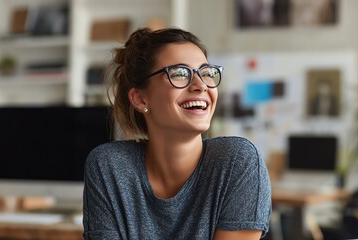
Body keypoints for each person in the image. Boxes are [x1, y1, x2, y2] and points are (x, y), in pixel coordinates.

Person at [83, 27, 271, 240]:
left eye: (207, 73)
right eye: (180, 74)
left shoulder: (238, 161)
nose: (201, 86)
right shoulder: (109, 166)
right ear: (140, 99)